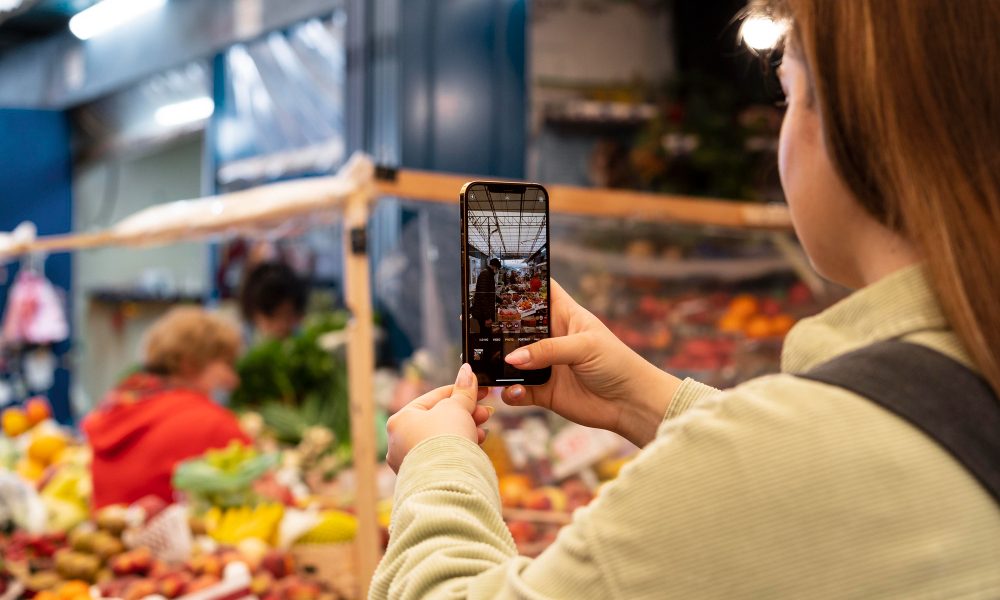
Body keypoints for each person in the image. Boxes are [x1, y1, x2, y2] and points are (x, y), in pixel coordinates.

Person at [374, 1, 1000, 598]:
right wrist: (646, 398)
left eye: (788, 94)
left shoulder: (778, 455)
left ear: (850, 127)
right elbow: (832, 464)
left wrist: (439, 462)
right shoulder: (963, 372)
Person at [83, 307, 249, 509]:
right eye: (227, 364)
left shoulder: (118, 405)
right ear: (190, 364)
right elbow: (265, 491)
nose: (234, 380)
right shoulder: (210, 423)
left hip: (104, 533)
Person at [239, 261, 308, 340]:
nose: (281, 325)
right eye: (271, 316)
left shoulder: (305, 341)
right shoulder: (241, 344)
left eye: (288, 316)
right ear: (253, 313)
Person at [470, 258, 501, 333]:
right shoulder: (485, 274)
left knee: (486, 333)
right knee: (485, 334)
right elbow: (483, 297)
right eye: (497, 269)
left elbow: (490, 293)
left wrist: (501, 300)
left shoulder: (488, 274)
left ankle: (485, 344)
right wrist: (487, 317)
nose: (497, 271)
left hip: (483, 312)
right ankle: (484, 344)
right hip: (482, 313)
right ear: (494, 266)